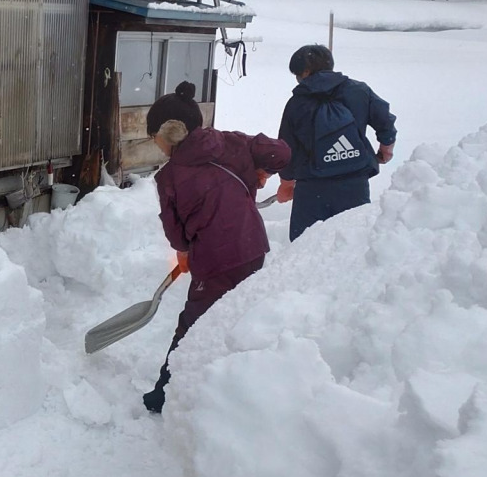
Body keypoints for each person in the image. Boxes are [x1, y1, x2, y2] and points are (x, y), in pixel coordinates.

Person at [143, 82, 291, 414]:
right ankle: (230, 386)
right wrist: (261, 167)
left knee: (193, 324)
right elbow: (281, 151)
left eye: (154, 136)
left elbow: (176, 234)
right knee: (237, 315)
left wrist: (183, 252)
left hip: (216, 259)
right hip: (253, 248)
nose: (155, 144)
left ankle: (165, 393)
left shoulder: (169, 177)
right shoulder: (232, 142)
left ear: (169, 134)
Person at [275, 44, 398, 241]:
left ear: (305, 72)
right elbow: (385, 120)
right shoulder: (359, 91)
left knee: (304, 246)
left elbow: (287, 147)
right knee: (351, 244)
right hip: (354, 182)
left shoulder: (297, 103)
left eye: (297, 74)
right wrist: (386, 147)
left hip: (312, 188)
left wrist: (287, 182)